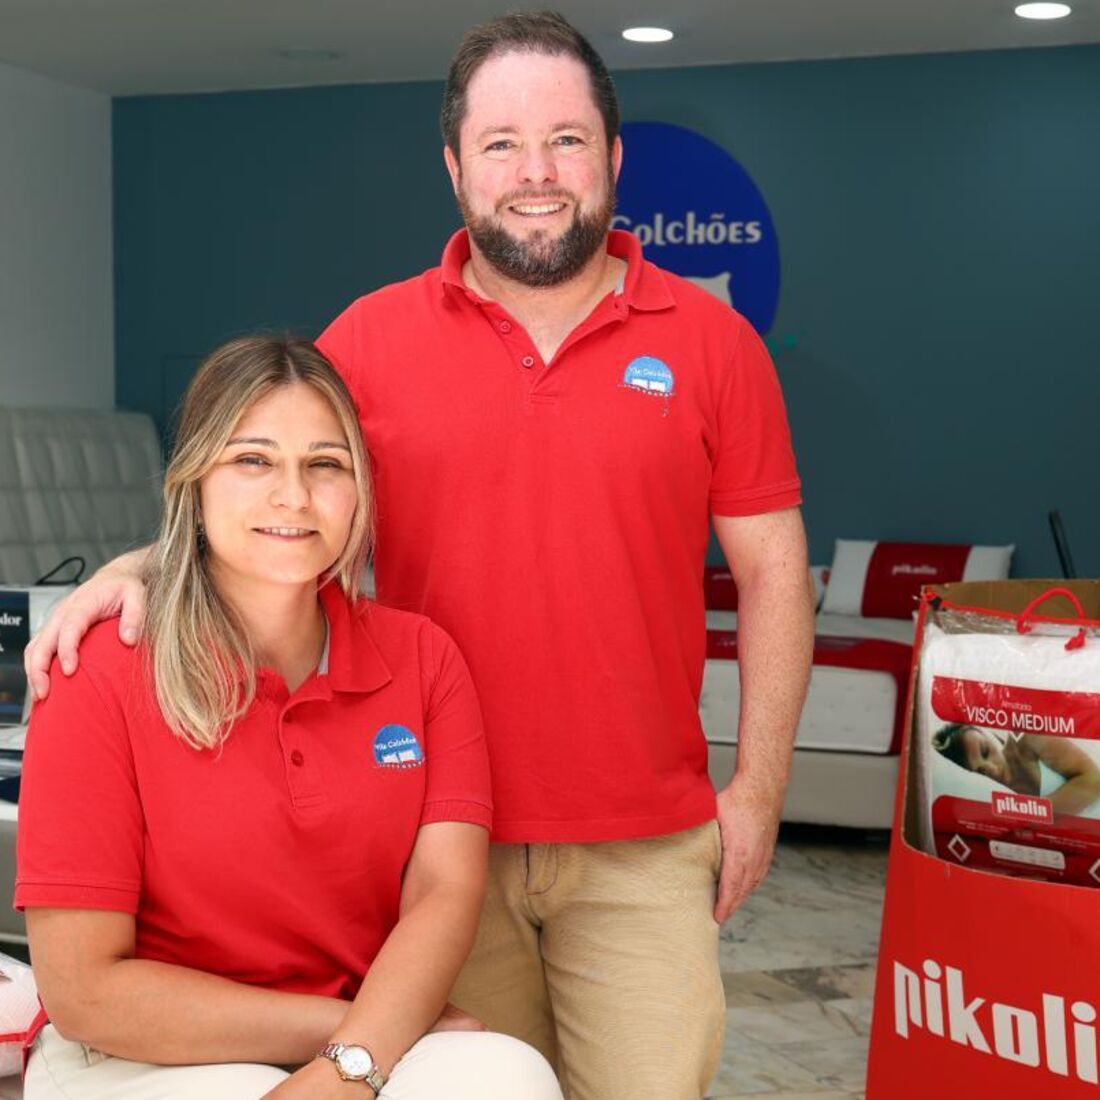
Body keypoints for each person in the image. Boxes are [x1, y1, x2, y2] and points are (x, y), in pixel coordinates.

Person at [24, 12, 815, 1099]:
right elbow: (270, 494)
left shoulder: (711, 344)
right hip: (432, 848)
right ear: (453, 167)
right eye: (499, 144)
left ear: (613, 158)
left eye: (566, 140)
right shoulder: (369, 338)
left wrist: (758, 788)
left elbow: (773, 571)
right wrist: (134, 571)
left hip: (639, 838)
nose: (534, 173)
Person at [16, 336, 562, 1100]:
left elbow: (443, 894)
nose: (293, 497)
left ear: (361, 490)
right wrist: (342, 1043)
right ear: (193, 482)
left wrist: (351, 1066)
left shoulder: (423, 659)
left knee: (509, 1075)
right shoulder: (98, 671)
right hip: (148, 1052)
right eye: (253, 461)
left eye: (326, 465)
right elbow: (84, 993)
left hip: (367, 1033)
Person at [933, 722, 1100, 816]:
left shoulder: (1027, 738)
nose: (992, 769)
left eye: (985, 751)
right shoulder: (986, 805)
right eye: (980, 772)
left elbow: (1095, 780)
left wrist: (1028, 817)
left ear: (988, 732)